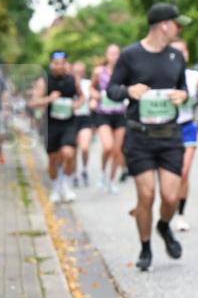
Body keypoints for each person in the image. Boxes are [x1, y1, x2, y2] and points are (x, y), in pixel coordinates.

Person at [108, 3, 191, 272]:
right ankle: (145, 247)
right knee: (147, 195)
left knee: (170, 197)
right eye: (177, 24)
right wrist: (128, 91)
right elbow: (111, 89)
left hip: (169, 136)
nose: (179, 29)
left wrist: (183, 96)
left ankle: (163, 226)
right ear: (164, 25)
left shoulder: (176, 57)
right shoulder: (130, 55)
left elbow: (183, 90)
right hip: (139, 136)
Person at [29, 51, 84, 203]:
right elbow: (33, 102)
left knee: (69, 153)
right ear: (51, 64)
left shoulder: (73, 80)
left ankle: (66, 186)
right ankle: (55, 188)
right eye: (56, 63)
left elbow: (82, 97)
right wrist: (49, 99)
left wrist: (77, 104)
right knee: (53, 160)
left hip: (69, 123)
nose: (60, 66)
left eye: (63, 62)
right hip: (51, 124)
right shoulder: (44, 81)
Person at [169, 38, 198, 232]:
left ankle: (180, 214)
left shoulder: (194, 76)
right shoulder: (161, 75)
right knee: (170, 175)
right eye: (175, 51)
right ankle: (167, 207)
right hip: (166, 129)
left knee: (184, 172)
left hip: (188, 127)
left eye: (183, 51)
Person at [91, 44, 127, 194]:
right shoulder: (99, 72)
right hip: (103, 114)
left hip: (119, 115)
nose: (114, 56)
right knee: (107, 146)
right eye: (111, 53)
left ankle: (112, 180)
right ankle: (102, 173)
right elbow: (92, 88)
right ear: (106, 55)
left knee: (117, 151)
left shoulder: (124, 72)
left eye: (117, 53)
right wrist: (95, 96)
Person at [72, 61, 96, 187]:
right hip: (72, 119)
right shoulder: (68, 83)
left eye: (80, 72)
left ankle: (85, 170)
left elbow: (94, 95)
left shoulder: (87, 84)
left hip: (85, 118)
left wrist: (93, 101)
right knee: (73, 149)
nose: (78, 74)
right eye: (75, 72)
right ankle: (75, 174)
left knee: (85, 147)